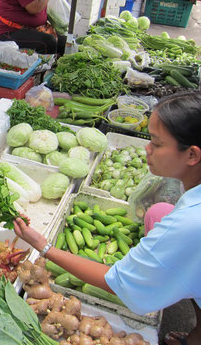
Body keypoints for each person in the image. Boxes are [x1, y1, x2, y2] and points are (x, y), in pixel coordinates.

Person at [13, 91, 201, 345]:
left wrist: (44, 246)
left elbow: (118, 281)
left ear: (192, 155)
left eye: (156, 144)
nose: (146, 149)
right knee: (158, 213)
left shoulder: (187, 226)